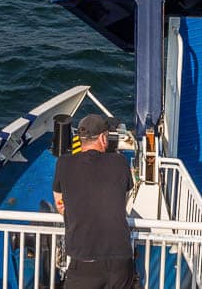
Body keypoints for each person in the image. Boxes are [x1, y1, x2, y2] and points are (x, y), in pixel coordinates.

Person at [51, 114, 136, 289]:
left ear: (80, 139)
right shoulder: (120, 162)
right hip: (119, 258)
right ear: (103, 138)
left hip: (83, 258)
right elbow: (124, 198)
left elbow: (60, 203)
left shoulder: (64, 163)